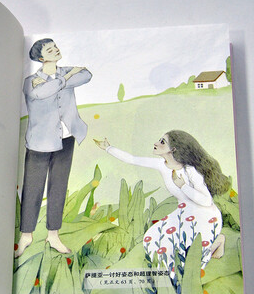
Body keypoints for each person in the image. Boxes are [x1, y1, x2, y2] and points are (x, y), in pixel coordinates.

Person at [95, 130, 230, 270]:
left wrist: (183, 186)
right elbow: (132, 159)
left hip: (204, 216)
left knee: (188, 263)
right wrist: (108, 148)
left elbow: (206, 201)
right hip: (184, 213)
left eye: (162, 142)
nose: (156, 143)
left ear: (173, 149)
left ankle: (218, 241)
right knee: (154, 241)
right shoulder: (161, 164)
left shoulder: (190, 171)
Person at [15, 38, 92, 257]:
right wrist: (66, 78)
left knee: (58, 187)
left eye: (56, 47)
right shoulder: (30, 81)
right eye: (50, 50)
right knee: (33, 189)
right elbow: (40, 93)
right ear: (41, 58)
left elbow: (86, 75)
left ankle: (53, 235)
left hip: (65, 138)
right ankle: (26, 236)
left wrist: (62, 78)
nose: (56, 50)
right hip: (39, 143)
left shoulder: (63, 72)